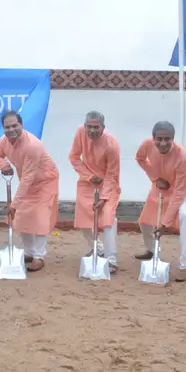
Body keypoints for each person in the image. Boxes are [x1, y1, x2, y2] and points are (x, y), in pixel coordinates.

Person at [0, 111, 59, 272]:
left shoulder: (32, 146)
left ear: (22, 125)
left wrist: (14, 204)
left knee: (40, 217)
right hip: (27, 182)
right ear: (3, 128)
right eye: (7, 127)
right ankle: (29, 252)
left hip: (45, 181)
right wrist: (3, 165)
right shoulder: (4, 141)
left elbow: (28, 177)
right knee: (21, 217)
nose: (11, 129)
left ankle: (39, 256)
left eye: (15, 125)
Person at [134, 121, 186, 282]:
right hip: (161, 184)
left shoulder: (183, 156)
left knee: (184, 216)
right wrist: (156, 178)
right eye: (159, 139)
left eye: (167, 139)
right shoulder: (147, 144)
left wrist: (165, 221)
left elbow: (179, 192)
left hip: (182, 188)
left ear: (173, 139)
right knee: (145, 222)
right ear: (153, 138)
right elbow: (140, 158)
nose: (163, 143)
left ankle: (185, 266)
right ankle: (151, 250)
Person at [68, 111, 121, 274]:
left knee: (108, 218)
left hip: (108, 184)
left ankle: (111, 260)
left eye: (96, 127)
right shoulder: (79, 133)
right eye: (89, 127)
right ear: (84, 126)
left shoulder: (112, 145)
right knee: (83, 218)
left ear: (103, 128)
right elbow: (74, 157)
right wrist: (89, 176)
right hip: (87, 181)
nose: (92, 131)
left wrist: (104, 198)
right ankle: (97, 248)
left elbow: (112, 174)